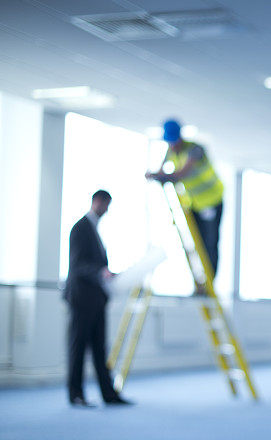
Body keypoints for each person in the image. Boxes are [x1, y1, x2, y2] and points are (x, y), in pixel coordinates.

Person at [64, 190, 132, 407]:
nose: (107, 210)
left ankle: (108, 394)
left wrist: (106, 274)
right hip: (81, 300)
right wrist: (100, 272)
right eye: (106, 204)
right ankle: (76, 394)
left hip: (96, 300)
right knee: (78, 348)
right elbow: (77, 265)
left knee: (100, 349)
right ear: (97, 201)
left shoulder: (94, 230)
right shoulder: (80, 228)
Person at [146, 119, 224, 279]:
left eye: (174, 141)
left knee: (210, 243)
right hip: (195, 204)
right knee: (198, 244)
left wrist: (161, 176)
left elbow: (181, 174)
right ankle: (200, 279)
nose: (172, 145)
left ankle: (210, 279)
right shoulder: (171, 151)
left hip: (212, 202)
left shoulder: (195, 149)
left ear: (180, 137)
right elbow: (163, 170)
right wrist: (157, 174)